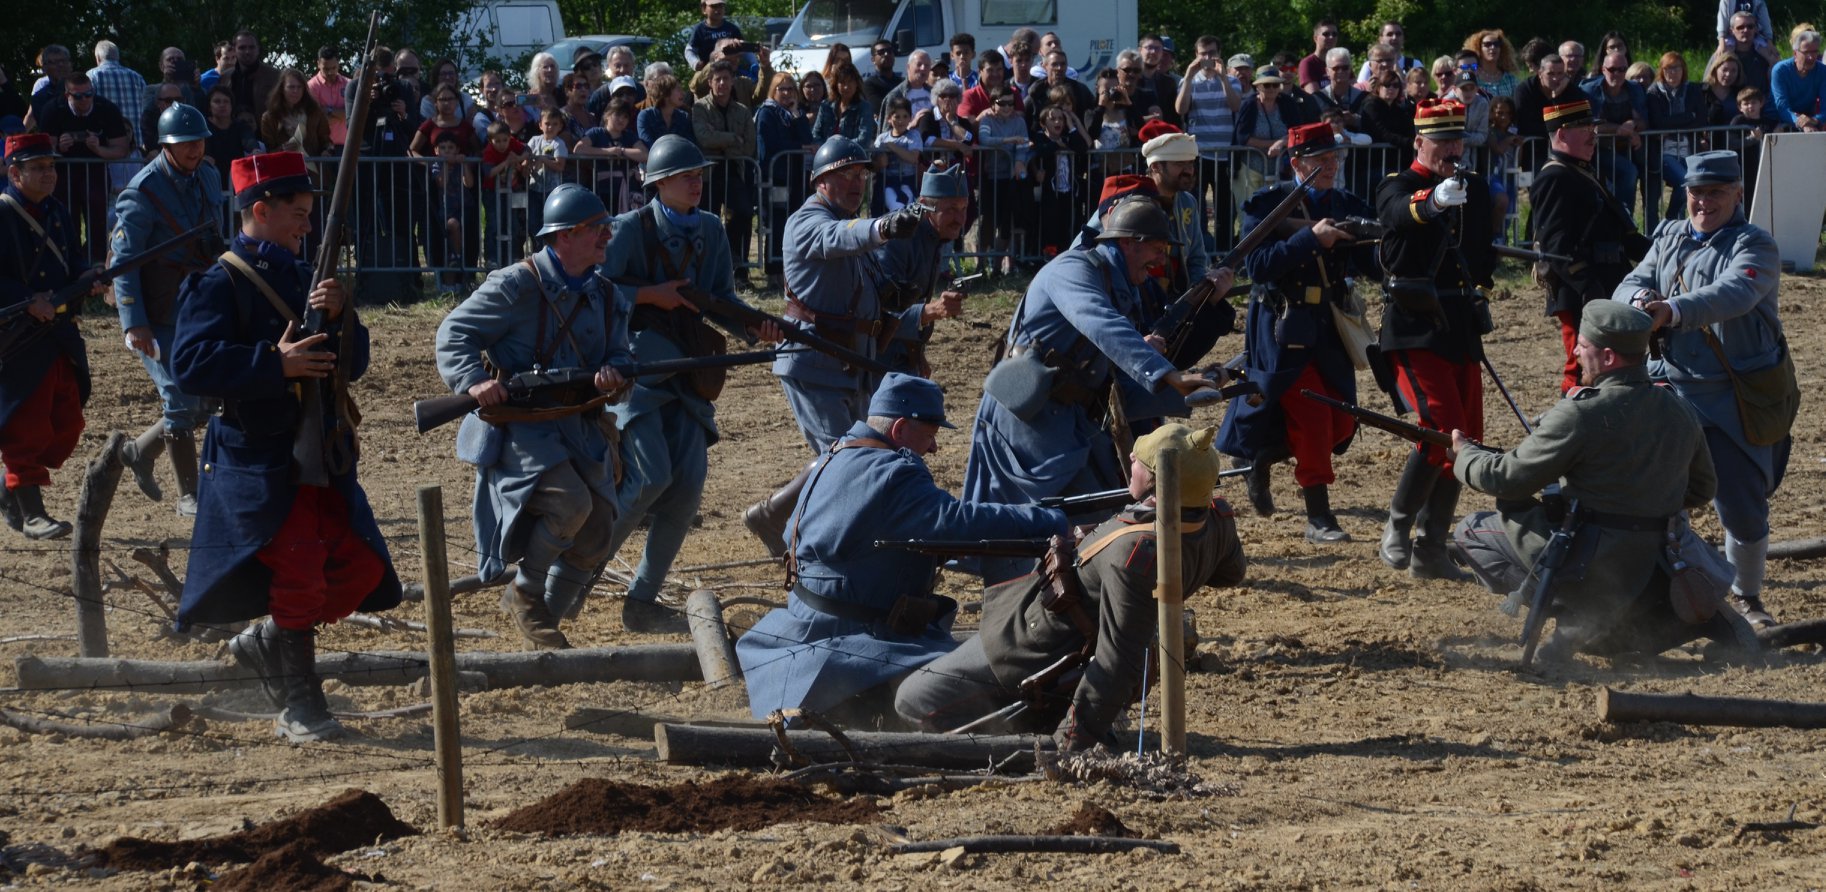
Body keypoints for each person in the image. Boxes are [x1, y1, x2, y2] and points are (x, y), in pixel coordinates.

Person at [176, 151, 401, 743]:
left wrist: (342, 313)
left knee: (358, 569)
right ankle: (300, 701)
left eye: (308, 212)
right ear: (260, 210)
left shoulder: (307, 278)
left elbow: (350, 363)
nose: (307, 224)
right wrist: (274, 364)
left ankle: (272, 641)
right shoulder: (218, 279)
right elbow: (190, 364)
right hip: (257, 453)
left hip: (317, 451)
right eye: (296, 213)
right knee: (300, 570)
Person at [736, 373, 1069, 722]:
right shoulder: (893, 472)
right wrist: (1051, 522)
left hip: (805, 619)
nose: (934, 447)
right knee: (979, 676)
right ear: (899, 430)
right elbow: (958, 521)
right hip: (855, 635)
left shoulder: (836, 453)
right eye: (929, 434)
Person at [897, 423, 1244, 746]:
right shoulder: (1217, 520)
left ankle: (1022, 729)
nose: (1132, 457)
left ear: (1159, 482)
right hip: (1033, 621)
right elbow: (1230, 572)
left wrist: (1070, 743)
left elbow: (1116, 663)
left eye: (1142, 461)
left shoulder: (1137, 553)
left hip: (1031, 648)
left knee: (912, 700)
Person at [1451, 299, 1752, 661]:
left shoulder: (1581, 413)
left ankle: (1573, 613)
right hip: (1658, 566)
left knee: (1471, 530)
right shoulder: (1680, 409)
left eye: (1584, 345)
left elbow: (1505, 479)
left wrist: (1465, 454)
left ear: (1608, 358)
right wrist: (1647, 500)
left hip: (1590, 567)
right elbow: (1703, 488)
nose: (1576, 351)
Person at [962, 197, 1222, 583]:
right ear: (1128, 242)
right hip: (1022, 420)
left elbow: (1114, 380)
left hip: (1070, 420)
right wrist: (1167, 374)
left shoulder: (1123, 288)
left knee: (1102, 510)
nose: (1159, 259)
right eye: (1155, 247)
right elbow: (1101, 324)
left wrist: (1196, 386)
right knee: (1027, 520)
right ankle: (1011, 609)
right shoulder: (1074, 270)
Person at [593, 136, 781, 633]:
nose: (696, 182)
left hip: (692, 371)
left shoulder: (712, 231)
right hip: (640, 371)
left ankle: (642, 600)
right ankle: (569, 581)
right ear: (657, 183)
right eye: (684, 175)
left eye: (698, 174)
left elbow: (719, 298)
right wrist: (652, 294)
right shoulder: (629, 230)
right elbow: (597, 292)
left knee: (688, 488)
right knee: (649, 478)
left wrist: (754, 326)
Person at [435, 184, 631, 649]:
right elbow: (453, 332)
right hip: (522, 426)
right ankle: (525, 594)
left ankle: (546, 613)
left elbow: (622, 353)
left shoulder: (605, 293)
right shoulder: (515, 284)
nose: (607, 236)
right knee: (570, 504)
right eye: (595, 229)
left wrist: (617, 374)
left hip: (577, 423)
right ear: (563, 236)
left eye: (606, 227)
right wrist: (473, 381)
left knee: (600, 527)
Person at [1614, 150, 1790, 628]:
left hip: (1732, 397)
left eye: (1715, 192)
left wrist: (1670, 310)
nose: (1704, 202)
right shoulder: (1669, 235)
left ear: (1737, 193)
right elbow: (1630, 281)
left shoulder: (1756, 245)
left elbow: (1733, 292)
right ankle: (1662, 589)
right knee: (1650, 494)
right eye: (1696, 192)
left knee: (1742, 503)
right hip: (1668, 388)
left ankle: (1748, 598)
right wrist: (1639, 298)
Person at [741, 136, 927, 557]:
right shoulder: (808, 222)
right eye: (845, 174)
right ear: (820, 182)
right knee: (846, 458)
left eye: (861, 174)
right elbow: (842, 237)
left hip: (850, 365)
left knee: (853, 455)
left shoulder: (850, 229)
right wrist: (884, 227)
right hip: (812, 361)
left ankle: (778, 517)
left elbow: (873, 292)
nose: (855, 182)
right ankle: (795, 532)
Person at [1217, 122, 1380, 542]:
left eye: (1335, 158)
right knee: (1313, 417)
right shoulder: (1267, 206)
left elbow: (1369, 263)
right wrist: (1312, 238)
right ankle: (1318, 518)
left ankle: (1267, 455)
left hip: (1329, 323)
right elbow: (1257, 267)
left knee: (1342, 421)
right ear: (1296, 163)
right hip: (1282, 324)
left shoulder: (1345, 202)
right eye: (1320, 159)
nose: (1331, 166)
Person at [1373, 99, 1495, 580]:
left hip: (1459, 322)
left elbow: (1481, 253)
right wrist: (1435, 201)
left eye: (1457, 139)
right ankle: (1398, 528)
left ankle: (1432, 545)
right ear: (1419, 142)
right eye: (1441, 140)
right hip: (1415, 322)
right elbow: (1400, 215)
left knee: (1469, 438)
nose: (1451, 148)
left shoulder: (1476, 190)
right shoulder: (1396, 184)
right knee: (1440, 430)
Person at [112, 103, 227, 517]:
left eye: (199, 142)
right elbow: (122, 264)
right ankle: (189, 496)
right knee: (180, 397)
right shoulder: (141, 193)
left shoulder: (209, 176)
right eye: (186, 144)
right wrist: (134, 323)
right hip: (156, 311)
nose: (195, 150)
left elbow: (215, 234)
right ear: (165, 146)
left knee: (203, 398)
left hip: (198, 304)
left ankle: (139, 452)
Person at [0, 134, 92, 540]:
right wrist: (25, 300)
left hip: (57, 333)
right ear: (14, 173)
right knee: (27, 426)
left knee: (66, 422)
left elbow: (72, 257)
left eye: (51, 166)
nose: (49, 174)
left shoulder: (56, 210)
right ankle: (33, 512)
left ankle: (9, 488)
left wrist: (87, 277)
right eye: (38, 167)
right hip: (17, 338)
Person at [1527, 100, 1649, 395]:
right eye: (1584, 127)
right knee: (1582, 368)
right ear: (1562, 133)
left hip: (1608, 282)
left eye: (1592, 126)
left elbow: (1623, 233)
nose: (1593, 134)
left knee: (1611, 365)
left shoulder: (1584, 172)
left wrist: (1659, 256)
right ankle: (1572, 423)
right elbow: (1558, 246)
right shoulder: (1554, 177)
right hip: (1581, 291)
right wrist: (1589, 288)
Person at [871, 163, 970, 376]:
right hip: (875, 360)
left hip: (902, 355)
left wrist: (917, 356)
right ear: (925, 205)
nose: (960, 219)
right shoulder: (898, 237)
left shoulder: (935, 233)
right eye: (951, 209)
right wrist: (932, 311)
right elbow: (879, 309)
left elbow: (913, 299)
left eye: (964, 209)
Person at [691, 60, 757, 278]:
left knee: (743, 214)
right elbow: (704, 139)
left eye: (726, 79)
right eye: (717, 79)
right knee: (707, 221)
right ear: (709, 82)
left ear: (733, 81)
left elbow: (748, 145)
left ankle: (738, 269)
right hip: (708, 174)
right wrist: (732, 138)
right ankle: (707, 271)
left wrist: (720, 139)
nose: (722, 83)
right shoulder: (700, 108)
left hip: (734, 171)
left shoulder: (742, 111)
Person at [1179, 36, 1242, 252]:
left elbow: (1235, 106)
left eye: (1212, 53)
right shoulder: (1189, 80)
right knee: (1196, 206)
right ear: (1196, 55)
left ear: (1219, 54)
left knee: (1224, 209)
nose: (1207, 58)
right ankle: (1200, 249)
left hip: (1225, 154)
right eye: (1203, 53)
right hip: (1198, 153)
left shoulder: (1232, 81)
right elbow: (1181, 109)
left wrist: (1223, 77)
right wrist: (1188, 76)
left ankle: (1223, 252)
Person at [756, 72, 814, 286]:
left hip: (796, 177)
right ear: (773, 90)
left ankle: (790, 271)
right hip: (776, 176)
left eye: (791, 89)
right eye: (782, 89)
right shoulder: (767, 113)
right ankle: (773, 272)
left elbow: (808, 139)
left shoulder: (794, 114)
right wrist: (799, 148)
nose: (787, 93)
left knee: (794, 223)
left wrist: (798, 115)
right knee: (777, 223)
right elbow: (770, 144)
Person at [1645, 53, 1707, 221]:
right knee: (1685, 182)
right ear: (1661, 70)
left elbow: (1701, 120)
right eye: (1667, 69)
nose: (1672, 73)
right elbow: (1658, 123)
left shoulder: (1693, 89)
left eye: (1676, 68)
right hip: (1664, 152)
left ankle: (1677, 223)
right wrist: (1689, 116)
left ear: (1683, 69)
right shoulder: (1653, 92)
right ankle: (1671, 218)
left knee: (1691, 184)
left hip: (1689, 150)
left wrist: (1671, 124)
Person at [1583, 51, 1648, 212]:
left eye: (1622, 69)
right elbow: (1589, 125)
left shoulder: (1634, 89)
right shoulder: (1588, 90)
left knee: (1649, 174)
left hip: (1626, 150)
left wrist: (1632, 124)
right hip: (1595, 152)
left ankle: (1626, 224)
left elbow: (1645, 121)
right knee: (1628, 172)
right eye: (1612, 69)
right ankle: (1623, 220)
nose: (1617, 74)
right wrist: (1620, 129)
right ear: (1603, 69)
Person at [259, 68, 333, 156]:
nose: (295, 91)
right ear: (282, 89)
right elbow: (268, 150)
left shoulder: (315, 113)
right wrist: (282, 149)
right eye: (291, 87)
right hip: (284, 167)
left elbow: (326, 141)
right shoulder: (269, 118)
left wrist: (327, 151)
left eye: (299, 87)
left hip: (312, 167)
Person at [87, 40, 147, 146]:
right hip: (136, 143)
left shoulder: (92, 76)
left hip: (108, 143)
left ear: (98, 58)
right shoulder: (137, 77)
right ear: (117, 57)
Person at [222, 30, 281, 129]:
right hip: (232, 135)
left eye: (251, 47)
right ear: (234, 50)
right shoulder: (225, 77)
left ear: (258, 49)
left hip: (266, 135)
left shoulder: (275, 76)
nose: (247, 52)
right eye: (242, 48)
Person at [1771, 29, 1825, 132]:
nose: (1811, 57)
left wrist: (1814, 120)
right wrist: (1802, 123)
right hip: (1777, 121)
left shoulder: (1823, 71)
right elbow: (1782, 107)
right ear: (1795, 53)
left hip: (1808, 120)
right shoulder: (1780, 70)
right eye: (1806, 52)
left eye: (1814, 52)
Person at [307, 47, 350, 150]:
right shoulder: (311, 86)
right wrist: (342, 114)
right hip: (321, 148)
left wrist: (328, 110)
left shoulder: (349, 84)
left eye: (334, 68)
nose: (330, 72)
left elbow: (352, 115)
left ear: (338, 64)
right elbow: (317, 119)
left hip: (346, 147)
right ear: (318, 64)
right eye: (326, 69)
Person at [686, 0, 743, 70]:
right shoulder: (699, 30)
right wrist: (695, 63)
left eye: (721, 6)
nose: (718, 9)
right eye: (714, 6)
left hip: (732, 72)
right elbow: (689, 50)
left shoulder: (732, 28)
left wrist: (754, 63)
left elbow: (745, 49)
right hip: (709, 71)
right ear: (704, 8)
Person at [1465, 30, 1520, 98]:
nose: (1493, 47)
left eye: (1496, 44)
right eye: (1487, 44)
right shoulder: (1472, 78)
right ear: (1478, 48)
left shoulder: (1511, 80)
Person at [1298, 20, 1342, 93]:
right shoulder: (1308, 63)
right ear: (1315, 38)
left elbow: (1353, 90)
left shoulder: (1342, 62)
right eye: (1326, 34)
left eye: (1334, 34)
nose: (1331, 37)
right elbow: (1315, 96)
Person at [861, 40, 901, 108]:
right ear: (873, 59)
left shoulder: (902, 82)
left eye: (890, 51)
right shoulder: (869, 85)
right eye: (881, 52)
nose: (886, 54)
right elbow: (879, 108)